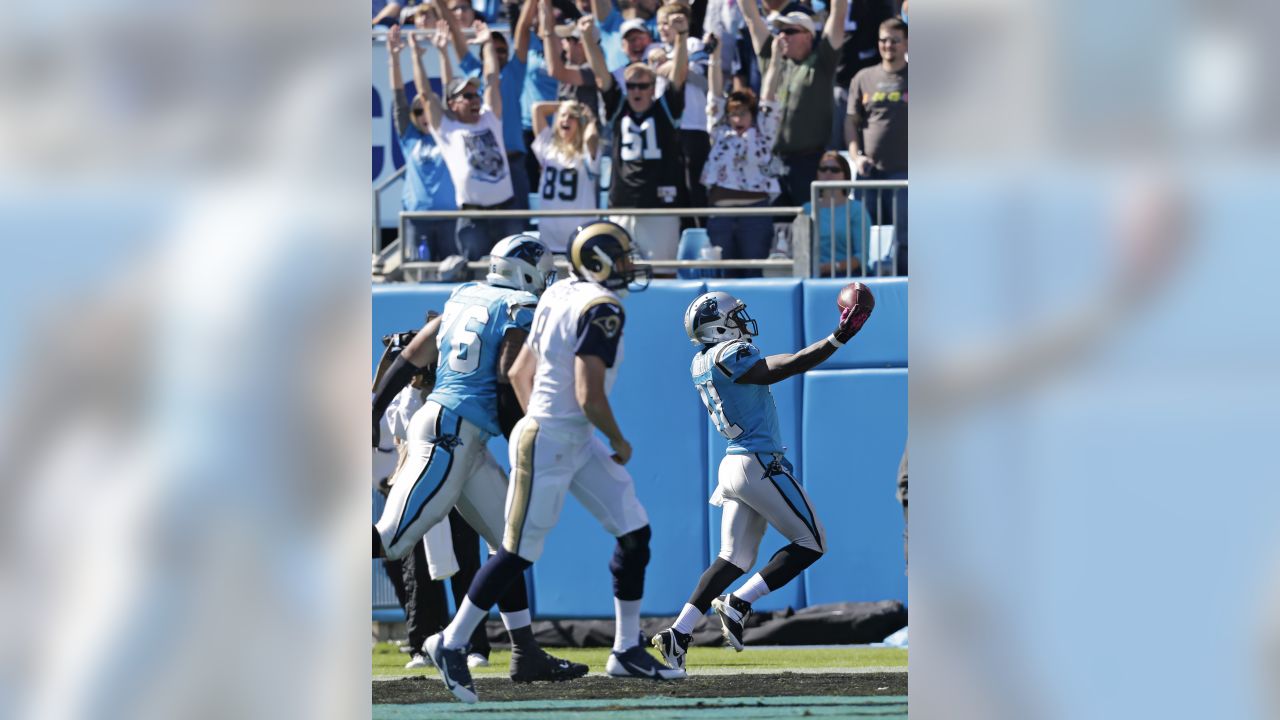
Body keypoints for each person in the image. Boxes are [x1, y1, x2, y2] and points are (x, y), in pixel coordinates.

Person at [423, 222, 681, 705]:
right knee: (517, 550)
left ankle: (626, 649)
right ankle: (451, 641)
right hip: (555, 438)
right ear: (600, 261)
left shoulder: (560, 290)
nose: (630, 264)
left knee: (634, 530)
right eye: (622, 256)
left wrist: (543, 419)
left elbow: (522, 371)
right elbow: (588, 393)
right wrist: (615, 439)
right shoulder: (601, 306)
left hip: (566, 436)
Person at [371, 235, 588, 684]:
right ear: (526, 270)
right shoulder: (519, 309)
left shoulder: (464, 295)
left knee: (512, 540)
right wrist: (524, 443)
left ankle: (524, 653)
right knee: (391, 539)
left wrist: (374, 409)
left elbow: (413, 354)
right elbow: (511, 378)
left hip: (458, 434)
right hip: (450, 433)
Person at [650, 287, 874, 671]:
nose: (741, 320)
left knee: (733, 557)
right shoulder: (728, 354)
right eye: (733, 315)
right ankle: (739, 603)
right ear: (718, 327)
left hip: (734, 464)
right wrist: (838, 338)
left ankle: (678, 633)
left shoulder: (700, 361)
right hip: (758, 463)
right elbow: (784, 367)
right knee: (812, 542)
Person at [418, 19, 525, 260]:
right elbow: (425, 94)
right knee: (477, 279)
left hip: (506, 212)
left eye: (475, 94)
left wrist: (487, 43)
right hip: (473, 218)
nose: (475, 99)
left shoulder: (490, 118)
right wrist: (417, 54)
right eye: (467, 96)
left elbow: (492, 80)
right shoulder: (447, 129)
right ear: (453, 104)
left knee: (517, 271)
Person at [592, 19, 689, 263]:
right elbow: (601, 76)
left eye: (642, 85)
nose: (636, 91)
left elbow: (678, 77)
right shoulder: (618, 108)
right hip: (622, 204)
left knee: (663, 271)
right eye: (631, 85)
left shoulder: (665, 109)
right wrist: (588, 39)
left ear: (652, 87)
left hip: (660, 207)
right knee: (620, 274)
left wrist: (681, 37)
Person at [739, 0, 848, 206]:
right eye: (780, 30)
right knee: (774, 229)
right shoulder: (772, 59)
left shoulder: (822, 61)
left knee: (807, 226)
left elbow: (839, 13)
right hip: (771, 161)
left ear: (808, 36)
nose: (782, 36)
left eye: (790, 31)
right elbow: (751, 17)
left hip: (808, 162)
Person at [701, 32, 785, 277]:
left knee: (753, 273)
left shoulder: (762, 134)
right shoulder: (719, 132)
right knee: (723, 276)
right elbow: (715, 94)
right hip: (721, 215)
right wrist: (715, 55)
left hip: (755, 215)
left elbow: (769, 95)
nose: (738, 119)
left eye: (744, 113)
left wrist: (777, 58)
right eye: (734, 113)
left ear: (752, 115)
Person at [387, 24, 461, 262]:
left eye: (429, 109)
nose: (425, 115)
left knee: (454, 277)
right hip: (417, 220)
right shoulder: (409, 136)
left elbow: (451, 94)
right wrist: (394, 58)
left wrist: (442, 52)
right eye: (419, 111)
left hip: (449, 219)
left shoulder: (449, 133)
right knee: (417, 275)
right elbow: (399, 98)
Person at [845, 16, 907, 274]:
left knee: (907, 238)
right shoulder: (863, 77)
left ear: (907, 42)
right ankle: (860, 290)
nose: (887, 45)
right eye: (883, 40)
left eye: (894, 40)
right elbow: (850, 121)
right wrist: (856, 157)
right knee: (860, 235)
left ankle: (907, 286)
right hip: (869, 173)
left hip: (906, 174)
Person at [529, 99, 602, 252]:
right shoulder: (548, 146)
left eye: (571, 117)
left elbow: (592, 138)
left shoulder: (585, 151)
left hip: (579, 240)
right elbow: (538, 109)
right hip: (548, 240)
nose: (565, 120)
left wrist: (590, 120)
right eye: (562, 116)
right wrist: (564, 105)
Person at [802, 150, 870, 276]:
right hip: (811, 276)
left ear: (845, 175)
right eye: (823, 168)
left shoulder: (857, 209)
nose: (828, 173)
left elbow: (862, 256)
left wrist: (833, 267)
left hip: (847, 276)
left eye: (834, 169)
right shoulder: (806, 209)